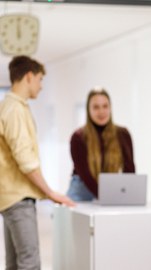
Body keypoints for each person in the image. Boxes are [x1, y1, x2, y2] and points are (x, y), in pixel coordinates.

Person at [0, 55, 75, 269]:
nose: (41, 86)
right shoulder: (15, 110)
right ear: (29, 76)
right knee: (29, 262)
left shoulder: (7, 106)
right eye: (40, 79)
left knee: (15, 263)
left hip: (9, 199)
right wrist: (51, 193)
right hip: (19, 199)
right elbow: (26, 161)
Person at [67, 87, 135, 201]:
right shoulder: (78, 137)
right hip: (82, 190)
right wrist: (106, 198)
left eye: (105, 106)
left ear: (110, 108)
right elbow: (85, 175)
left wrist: (127, 195)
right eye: (96, 107)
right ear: (89, 110)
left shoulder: (123, 134)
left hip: (110, 189)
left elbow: (129, 170)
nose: (101, 111)